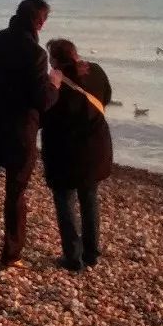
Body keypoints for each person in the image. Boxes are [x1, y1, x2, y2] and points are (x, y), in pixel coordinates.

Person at [0, 0, 62, 267]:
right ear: (40, 22)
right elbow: (41, 99)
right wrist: (54, 84)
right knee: (15, 194)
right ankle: (10, 254)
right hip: (19, 133)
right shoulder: (36, 54)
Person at [41, 38, 113, 271]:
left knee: (65, 201)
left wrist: (52, 86)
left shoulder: (54, 83)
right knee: (89, 199)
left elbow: (44, 114)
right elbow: (106, 97)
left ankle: (73, 257)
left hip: (64, 151)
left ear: (54, 60)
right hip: (95, 146)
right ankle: (91, 253)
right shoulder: (97, 71)